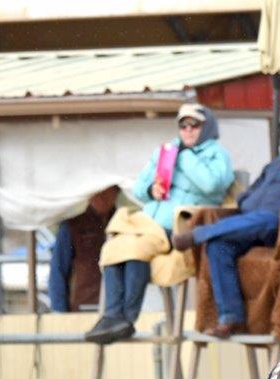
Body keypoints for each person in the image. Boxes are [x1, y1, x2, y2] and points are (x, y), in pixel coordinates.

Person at [171, 103, 280, 338]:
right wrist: (245, 199)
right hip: (250, 219)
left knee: (263, 218)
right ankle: (231, 318)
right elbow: (254, 187)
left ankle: (198, 234)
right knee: (218, 246)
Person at [85, 104, 234, 344]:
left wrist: (183, 157)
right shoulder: (166, 150)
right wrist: (150, 189)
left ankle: (126, 318)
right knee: (113, 248)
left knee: (135, 248)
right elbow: (139, 188)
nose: (187, 130)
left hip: (180, 225)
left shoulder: (216, 153)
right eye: (183, 125)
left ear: (206, 128)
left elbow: (212, 185)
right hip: (150, 221)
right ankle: (113, 316)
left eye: (194, 125)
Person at [48, 185, 118, 312]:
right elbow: (58, 270)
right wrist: (59, 311)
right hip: (82, 307)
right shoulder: (72, 226)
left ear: (116, 193)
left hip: (117, 308)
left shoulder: (125, 225)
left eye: (108, 191)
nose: (102, 196)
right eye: (98, 191)